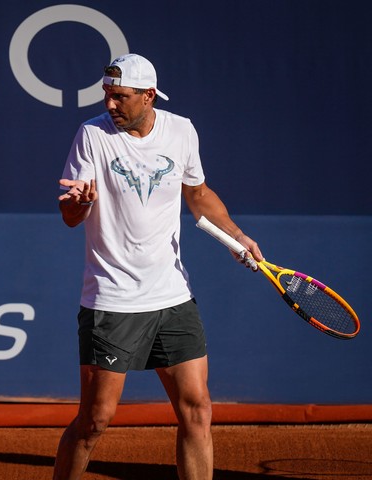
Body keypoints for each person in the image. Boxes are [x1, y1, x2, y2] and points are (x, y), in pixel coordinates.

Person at [53, 53, 263, 480]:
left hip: (172, 296)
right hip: (112, 300)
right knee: (94, 422)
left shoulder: (181, 130)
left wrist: (236, 237)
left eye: (121, 97)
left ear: (149, 96)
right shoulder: (92, 136)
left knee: (198, 410)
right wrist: (80, 205)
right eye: (107, 95)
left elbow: (198, 195)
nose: (111, 105)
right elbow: (71, 216)